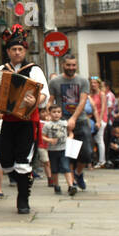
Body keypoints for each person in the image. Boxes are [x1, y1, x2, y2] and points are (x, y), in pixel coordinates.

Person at [0, 24, 48, 214]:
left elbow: (44, 95)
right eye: (14, 49)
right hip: (7, 122)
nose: (17, 52)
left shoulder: (34, 70)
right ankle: (24, 179)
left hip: (27, 123)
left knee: (23, 162)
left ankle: (23, 199)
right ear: (8, 51)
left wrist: (34, 101)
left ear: (25, 51)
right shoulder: (1, 70)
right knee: (5, 162)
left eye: (20, 49)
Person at [48, 54, 91, 190]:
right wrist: (49, 114)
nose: (71, 68)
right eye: (68, 65)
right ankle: (71, 183)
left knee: (87, 152)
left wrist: (73, 118)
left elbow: (83, 100)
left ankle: (78, 173)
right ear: (63, 65)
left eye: (73, 65)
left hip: (81, 120)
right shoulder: (55, 82)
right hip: (62, 122)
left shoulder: (83, 81)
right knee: (70, 154)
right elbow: (51, 100)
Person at [42, 104, 75, 195]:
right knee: (54, 169)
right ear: (49, 113)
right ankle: (56, 185)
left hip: (63, 149)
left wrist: (70, 137)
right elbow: (42, 136)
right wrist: (50, 140)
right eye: (54, 112)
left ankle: (71, 185)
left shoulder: (64, 123)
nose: (56, 114)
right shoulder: (47, 125)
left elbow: (70, 132)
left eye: (58, 112)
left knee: (66, 167)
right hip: (52, 150)